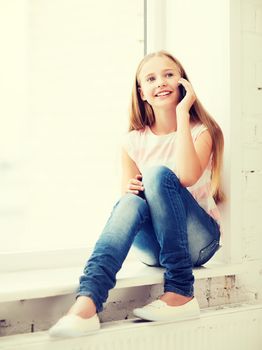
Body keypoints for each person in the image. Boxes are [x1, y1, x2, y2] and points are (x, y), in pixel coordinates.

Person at [49, 50, 224, 338]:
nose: (161, 82)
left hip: (199, 241)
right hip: (156, 248)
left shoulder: (200, 131)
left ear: (183, 84)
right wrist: (130, 189)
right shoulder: (132, 141)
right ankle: (88, 300)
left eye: (169, 75)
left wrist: (182, 113)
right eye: (151, 78)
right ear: (142, 92)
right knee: (132, 199)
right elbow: (129, 208)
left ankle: (181, 291)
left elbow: (188, 176)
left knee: (157, 174)